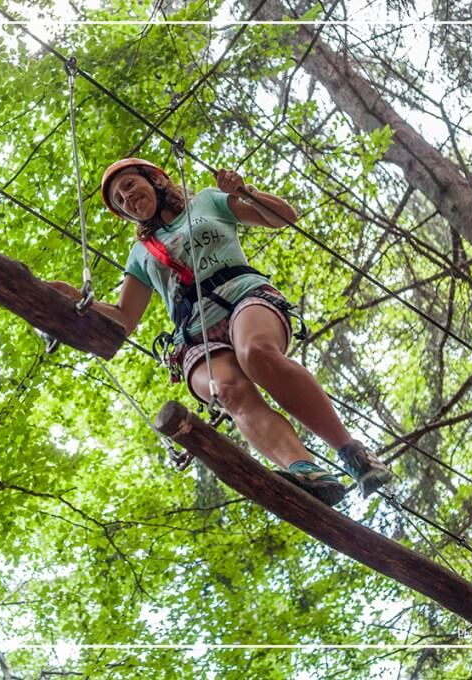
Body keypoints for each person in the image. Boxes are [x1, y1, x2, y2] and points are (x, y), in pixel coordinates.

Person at [50, 158, 391, 506]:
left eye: (129, 185)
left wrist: (245, 192)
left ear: (154, 180)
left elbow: (284, 216)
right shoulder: (140, 254)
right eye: (120, 201)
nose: (127, 198)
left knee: (255, 353)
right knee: (227, 391)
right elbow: (123, 318)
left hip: (242, 295)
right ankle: (306, 471)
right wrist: (71, 297)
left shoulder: (206, 201)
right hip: (193, 333)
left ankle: (353, 453)